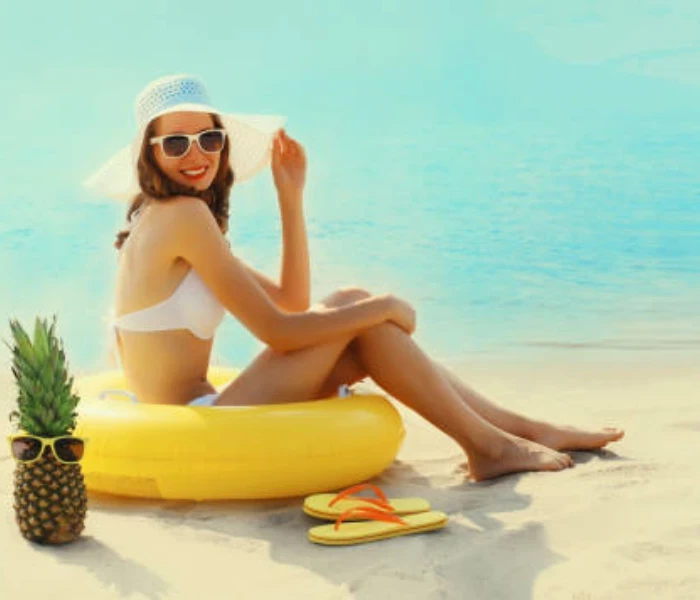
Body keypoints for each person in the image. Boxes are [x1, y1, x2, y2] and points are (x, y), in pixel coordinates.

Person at [84, 74, 623, 481]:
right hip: (196, 425)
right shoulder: (183, 217)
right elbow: (281, 331)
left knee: (360, 316)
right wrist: (385, 304)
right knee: (362, 308)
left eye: (208, 138)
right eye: (176, 144)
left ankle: (512, 435)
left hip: (203, 411)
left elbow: (291, 305)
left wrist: (289, 199)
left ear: (223, 144)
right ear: (151, 156)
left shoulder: (166, 220)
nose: (196, 154)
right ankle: (497, 444)